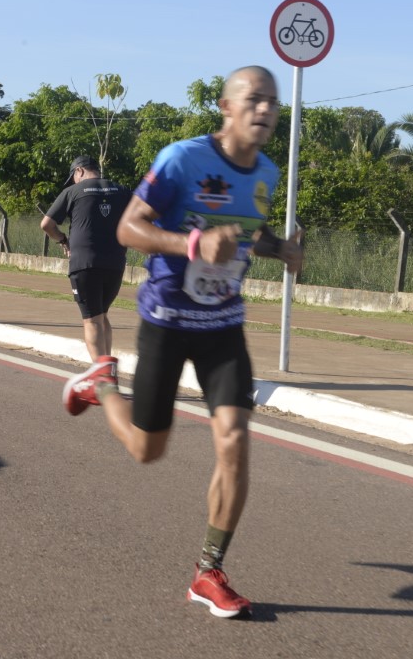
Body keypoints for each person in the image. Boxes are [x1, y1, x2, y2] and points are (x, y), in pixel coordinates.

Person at [62, 66, 304, 619]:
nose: (265, 110)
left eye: (272, 102)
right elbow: (128, 228)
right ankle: (101, 386)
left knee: (235, 439)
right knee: (146, 450)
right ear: (226, 107)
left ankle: (208, 572)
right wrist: (193, 243)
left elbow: (248, 232)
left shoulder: (266, 171)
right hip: (167, 319)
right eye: (253, 99)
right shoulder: (182, 159)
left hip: (223, 326)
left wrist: (281, 250)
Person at [40, 155, 132, 363]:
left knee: (91, 320)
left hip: (84, 264)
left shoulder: (73, 191)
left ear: (79, 171)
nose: (73, 181)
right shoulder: (122, 190)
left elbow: (46, 224)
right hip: (115, 263)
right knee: (102, 315)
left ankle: (101, 375)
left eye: (73, 176)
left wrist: (63, 240)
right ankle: (108, 370)